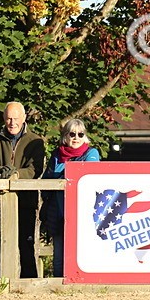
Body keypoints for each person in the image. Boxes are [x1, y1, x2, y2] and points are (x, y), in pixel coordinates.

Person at [0, 101, 46, 278]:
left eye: (16, 118)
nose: (12, 122)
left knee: (26, 248)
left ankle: (29, 285)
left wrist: (16, 175)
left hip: (25, 202)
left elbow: (35, 169)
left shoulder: (35, 141)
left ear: (24, 118)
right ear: (4, 119)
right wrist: (1, 172)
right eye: (9, 118)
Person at [40, 118, 100, 277]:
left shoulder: (92, 153)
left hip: (82, 214)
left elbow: (89, 176)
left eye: (80, 134)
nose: (76, 138)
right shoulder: (56, 155)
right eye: (72, 133)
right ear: (65, 136)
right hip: (58, 211)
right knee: (59, 255)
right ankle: (58, 286)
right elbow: (47, 179)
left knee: (82, 252)